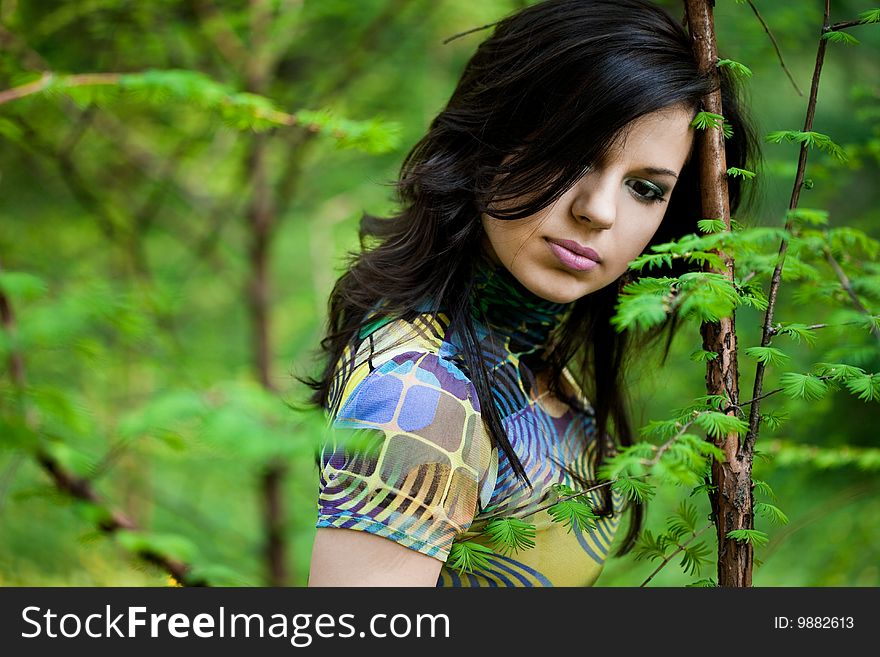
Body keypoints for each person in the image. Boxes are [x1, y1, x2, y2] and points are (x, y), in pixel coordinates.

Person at [304, 0, 757, 586]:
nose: (597, 210)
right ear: (489, 138)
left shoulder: (529, 366)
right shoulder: (421, 396)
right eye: (571, 156)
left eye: (645, 188)